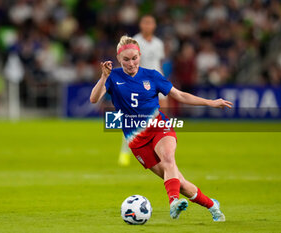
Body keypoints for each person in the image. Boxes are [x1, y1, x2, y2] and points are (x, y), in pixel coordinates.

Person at [90, 36, 232, 221]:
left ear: (140, 55)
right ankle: (213, 206)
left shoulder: (152, 76)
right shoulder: (113, 77)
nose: (131, 63)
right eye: (126, 59)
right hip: (136, 141)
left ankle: (173, 202)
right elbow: (94, 99)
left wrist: (210, 103)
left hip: (159, 127)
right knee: (179, 183)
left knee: (168, 159)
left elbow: (179, 95)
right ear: (119, 59)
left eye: (134, 58)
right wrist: (103, 76)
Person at [118, 15, 166, 167]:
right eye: (145, 22)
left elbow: (158, 63)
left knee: (159, 118)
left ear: (154, 25)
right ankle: (125, 151)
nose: (148, 25)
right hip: (139, 83)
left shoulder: (158, 43)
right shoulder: (135, 42)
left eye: (150, 22)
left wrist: (164, 84)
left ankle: (156, 150)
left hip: (156, 82)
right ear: (141, 25)